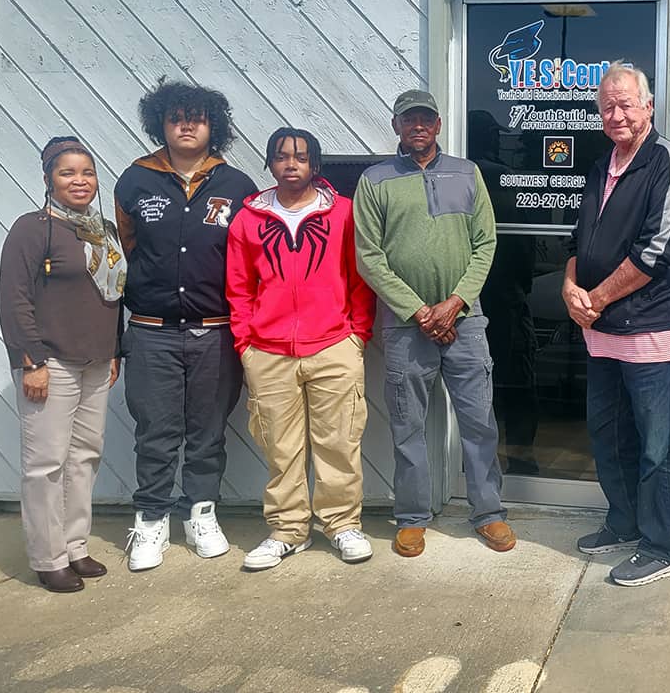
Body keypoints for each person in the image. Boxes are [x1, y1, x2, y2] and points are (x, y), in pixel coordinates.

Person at [354, 89, 516, 558]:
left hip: (465, 322)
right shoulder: (376, 181)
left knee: (479, 422)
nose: (418, 126)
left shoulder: (467, 173)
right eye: (409, 119)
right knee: (408, 424)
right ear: (397, 126)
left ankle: (488, 513)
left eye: (425, 118)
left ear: (439, 124)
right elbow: (369, 257)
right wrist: (420, 310)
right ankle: (411, 517)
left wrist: (455, 303)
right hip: (407, 327)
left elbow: (486, 243)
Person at [116, 81, 257, 571]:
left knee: (207, 431)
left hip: (215, 332)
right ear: (161, 123)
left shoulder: (237, 186)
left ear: (212, 125)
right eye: (176, 117)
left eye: (197, 117)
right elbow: (124, 256)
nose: (187, 124)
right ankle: (151, 520)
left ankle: (201, 513)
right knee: (155, 431)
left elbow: (247, 261)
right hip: (152, 331)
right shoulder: (134, 182)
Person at [564, 62, 670, 587]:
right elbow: (579, 239)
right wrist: (570, 288)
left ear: (648, 106)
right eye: (606, 107)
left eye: (626, 104)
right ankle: (623, 520)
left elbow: (659, 250)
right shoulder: (603, 166)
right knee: (608, 434)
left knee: (655, 447)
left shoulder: (667, 160)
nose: (616, 114)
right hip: (600, 331)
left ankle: (664, 544)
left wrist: (592, 298)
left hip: (649, 330)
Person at [226, 128, 376, 570]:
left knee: (339, 442)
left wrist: (356, 335)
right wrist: (246, 343)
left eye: (302, 157)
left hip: (333, 344)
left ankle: (343, 524)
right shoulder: (248, 219)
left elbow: (360, 278)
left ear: (316, 165)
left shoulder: (343, 213)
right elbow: (238, 287)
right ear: (270, 163)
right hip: (268, 351)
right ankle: (289, 530)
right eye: (282, 156)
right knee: (280, 446)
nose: (292, 164)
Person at [0, 136, 126, 592]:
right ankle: (47, 556)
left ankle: (75, 546)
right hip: (50, 361)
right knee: (46, 463)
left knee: (83, 459)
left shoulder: (103, 231)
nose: (79, 180)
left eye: (87, 172)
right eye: (67, 172)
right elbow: (14, 299)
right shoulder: (32, 229)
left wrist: (114, 349)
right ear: (49, 178)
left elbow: (113, 296)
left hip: (95, 361)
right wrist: (30, 359)